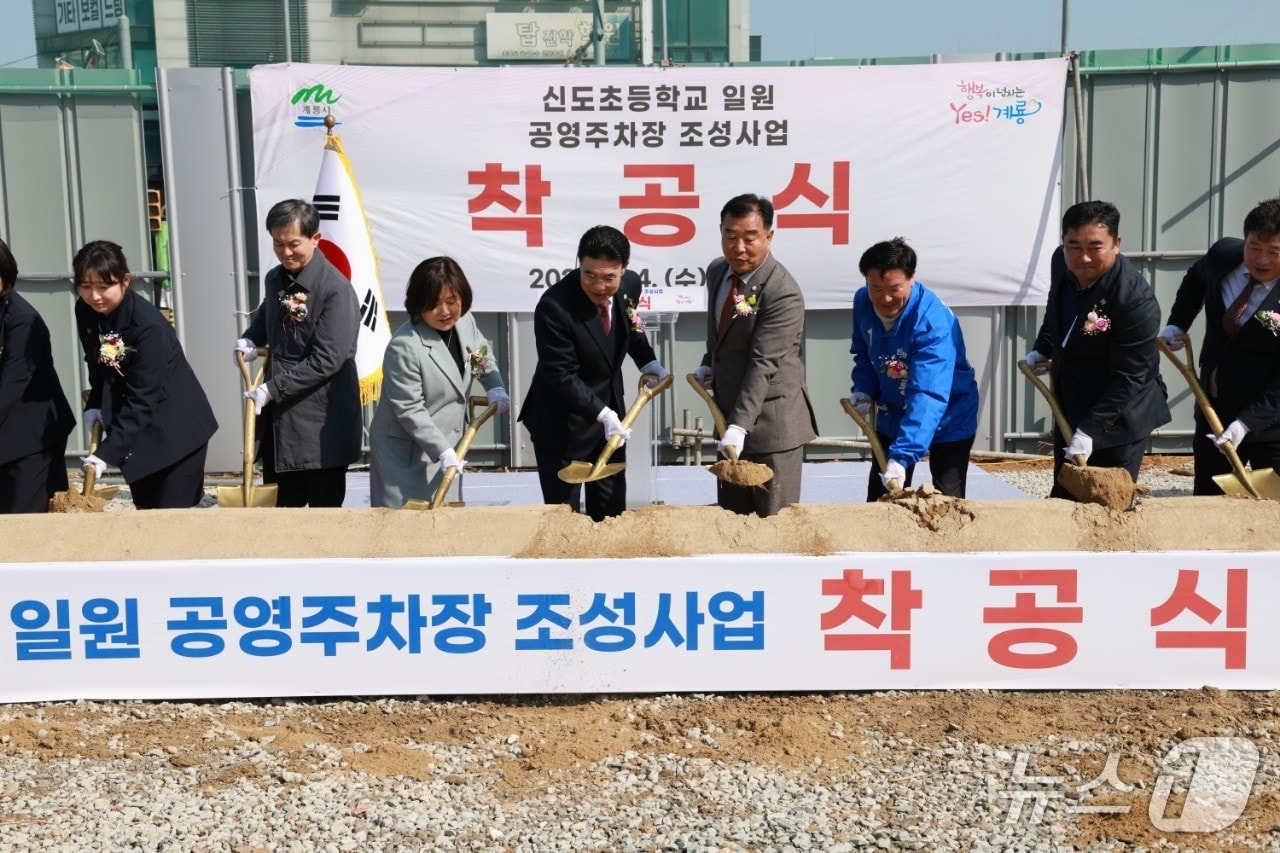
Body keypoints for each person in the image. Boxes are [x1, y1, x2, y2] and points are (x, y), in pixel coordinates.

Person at [518, 225, 668, 521]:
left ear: (624, 269)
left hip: (609, 419)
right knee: (565, 519)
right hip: (562, 423)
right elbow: (561, 374)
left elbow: (630, 325)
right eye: (589, 274)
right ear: (579, 263)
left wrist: (648, 362)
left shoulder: (630, 286)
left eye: (609, 277)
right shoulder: (554, 306)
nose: (599, 286)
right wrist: (604, 414)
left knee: (611, 515)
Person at [1025, 200, 1170, 499]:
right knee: (1066, 495)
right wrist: (1043, 347)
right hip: (1073, 404)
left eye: (1095, 247)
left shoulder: (1134, 300)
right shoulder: (1061, 260)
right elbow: (1057, 311)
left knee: (1107, 504)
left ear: (1116, 243)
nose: (1084, 257)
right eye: (1074, 245)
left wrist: (1089, 430)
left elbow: (1131, 376)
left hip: (1120, 416)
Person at [695, 193, 818, 517]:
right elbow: (721, 333)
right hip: (728, 418)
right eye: (730, 236)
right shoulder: (717, 271)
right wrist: (709, 363)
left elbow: (764, 363)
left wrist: (738, 427)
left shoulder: (782, 292)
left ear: (769, 236)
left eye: (750, 238)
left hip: (772, 426)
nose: (739, 248)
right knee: (733, 522)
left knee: (775, 524)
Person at [234, 199, 361, 508]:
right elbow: (269, 312)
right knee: (281, 517)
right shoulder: (275, 278)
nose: (286, 252)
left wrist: (272, 389)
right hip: (281, 425)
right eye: (278, 244)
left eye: (293, 244)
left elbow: (327, 359)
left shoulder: (335, 289)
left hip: (321, 427)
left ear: (315, 239)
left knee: (323, 519)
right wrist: (250, 339)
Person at [73, 240, 217, 509]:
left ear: (125, 281)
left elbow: (143, 397)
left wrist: (106, 453)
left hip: (176, 430)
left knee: (173, 519)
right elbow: (96, 362)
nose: (94, 296)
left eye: (104, 287)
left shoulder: (148, 326)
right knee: (146, 514)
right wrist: (95, 403)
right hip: (137, 431)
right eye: (85, 287)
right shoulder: (87, 310)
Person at [1160, 197, 1280, 495]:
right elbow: (1195, 279)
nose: (1262, 260)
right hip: (1214, 411)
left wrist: (1246, 423)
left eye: (1274, 252)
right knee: (1208, 502)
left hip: (1272, 425)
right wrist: (1178, 323)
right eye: (1254, 247)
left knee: (1272, 511)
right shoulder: (1222, 256)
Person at [369, 257, 510, 508]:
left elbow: (479, 358)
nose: (445, 311)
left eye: (451, 301)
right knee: (406, 524)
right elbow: (410, 409)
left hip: (447, 447)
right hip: (407, 456)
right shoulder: (405, 346)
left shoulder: (465, 323)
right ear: (418, 304)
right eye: (434, 304)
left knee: (444, 520)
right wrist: (443, 451)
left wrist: (494, 386)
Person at [850, 238, 979, 501]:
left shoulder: (932, 322)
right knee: (880, 501)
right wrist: (864, 389)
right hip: (893, 412)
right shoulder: (863, 301)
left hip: (948, 416)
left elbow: (928, 394)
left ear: (912, 277)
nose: (885, 298)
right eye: (876, 288)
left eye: (894, 288)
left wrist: (902, 456)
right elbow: (864, 352)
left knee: (947, 503)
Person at [0, 238, 77, 513]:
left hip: (31, 439)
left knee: (24, 521)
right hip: (5, 432)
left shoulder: (22, 319)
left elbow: (11, 384)